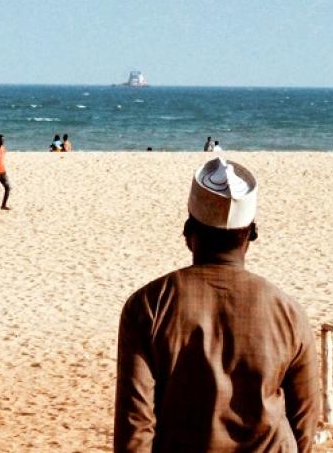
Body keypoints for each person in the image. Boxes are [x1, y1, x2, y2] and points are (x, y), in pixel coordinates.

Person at [114, 158, 318, 452]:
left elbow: (135, 427)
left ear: (188, 233)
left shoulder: (148, 305)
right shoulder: (287, 311)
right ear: (251, 235)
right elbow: (305, 422)